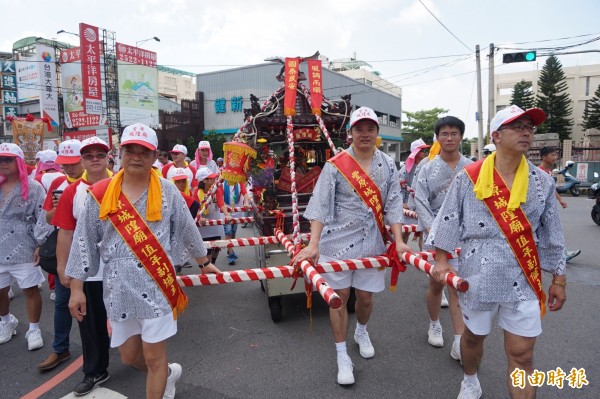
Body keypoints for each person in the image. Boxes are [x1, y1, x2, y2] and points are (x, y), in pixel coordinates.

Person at [66, 124, 221, 399]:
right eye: (130, 151)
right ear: (121, 153)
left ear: (153, 157)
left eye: (144, 152)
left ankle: (161, 377)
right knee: (129, 357)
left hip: (157, 283)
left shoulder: (167, 191)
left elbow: (186, 227)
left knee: (154, 359)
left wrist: (203, 260)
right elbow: (84, 240)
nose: (136, 157)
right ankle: (169, 374)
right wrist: (77, 288)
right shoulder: (100, 194)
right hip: (118, 289)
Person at [427, 105, 566, 398]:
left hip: (523, 276)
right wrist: (441, 259)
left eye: (529, 126)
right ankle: (470, 378)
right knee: (473, 339)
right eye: (517, 126)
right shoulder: (470, 177)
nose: (526, 131)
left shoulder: (542, 182)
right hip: (478, 273)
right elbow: (449, 218)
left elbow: (552, 232)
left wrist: (558, 278)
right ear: (497, 136)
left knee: (523, 354)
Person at [294, 107, 411, 386]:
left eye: (370, 128)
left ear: (377, 133)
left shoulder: (388, 165)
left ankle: (361, 330)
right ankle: (341, 354)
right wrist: (313, 244)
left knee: (366, 298)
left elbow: (394, 204)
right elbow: (320, 205)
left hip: (371, 242)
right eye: (360, 129)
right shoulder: (336, 164)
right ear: (351, 133)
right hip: (336, 242)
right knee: (340, 297)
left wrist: (399, 241)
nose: (365, 134)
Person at [40, 137, 114, 394]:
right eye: (89, 155)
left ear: (108, 158)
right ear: (82, 161)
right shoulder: (73, 191)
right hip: (88, 273)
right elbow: (65, 233)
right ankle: (95, 370)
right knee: (91, 324)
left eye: (100, 154)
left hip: (122, 270)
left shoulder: (123, 184)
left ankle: (144, 360)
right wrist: (63, 268)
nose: (95, 159)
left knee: (130, 321)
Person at [414, 116, 471, 361]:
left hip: (463, 236)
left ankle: (459, 340)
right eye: (444, 134)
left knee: (457, 287)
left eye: (454, 133)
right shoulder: (426, 168)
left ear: (461, 137)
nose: (449, 138)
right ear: (437, 138)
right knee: (437, 283)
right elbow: (420, 202)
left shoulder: (472, 167)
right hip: (435, 235)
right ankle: (434, 323)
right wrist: (434, 232)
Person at [0, 143, 46, 351]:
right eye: (0, 159)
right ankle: (6, 321)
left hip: (24, 245)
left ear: (18, 161)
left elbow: (42, 216)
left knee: (30, 289)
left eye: (8, 159)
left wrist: (40, 242)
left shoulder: (34, 187)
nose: (3, 163)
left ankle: (34, 328)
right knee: (0, 290)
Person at [41, 140, 84, 301]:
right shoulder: (58, 182)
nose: (69, 169)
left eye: (73, 164)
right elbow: (48, 219)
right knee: (62, 300)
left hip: (91, 245)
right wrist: (60, 209)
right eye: (65, 164)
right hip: (65, 243)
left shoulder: (101, 180)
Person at [538, 146, 581, 263]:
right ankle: (561, 254)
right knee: (552, 233)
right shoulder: (539, 172)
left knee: (552, 233)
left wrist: (560, 199)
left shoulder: (548, 172)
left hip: (549, 208)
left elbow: (551, 189)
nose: (555, 157)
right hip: (542, 210)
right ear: (543, 157)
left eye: (556, 155)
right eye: (552, 155)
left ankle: (560, 253)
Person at [194, 168, 232, 265]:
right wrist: (200, 217)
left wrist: (227, 214)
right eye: (210, 178)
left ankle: (212, 265)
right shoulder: (196, 192)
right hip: (204, 226)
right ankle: (209, 272)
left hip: (215, 223)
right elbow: (196, 207)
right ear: (204, 180)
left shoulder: (216, 190)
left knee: (216, 248)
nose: (213, 179)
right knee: (208, 250)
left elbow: (221, 204)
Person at [399, 138, 430, 245]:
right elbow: (398, 188)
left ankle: (424, 257)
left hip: (424, 206)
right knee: (405, 233)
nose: (426, 153)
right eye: (423, 151)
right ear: (416, 153)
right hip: (409, 208)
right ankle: (400, 256)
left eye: (426, 151)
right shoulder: (405, 170)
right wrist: (403, 204)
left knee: (425, 233)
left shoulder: (427, 166)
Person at [223, 180, 251, 265]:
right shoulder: (221, 182)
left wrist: (246, 203)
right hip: (225, 212)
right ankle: (231, 254)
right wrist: (224, 206)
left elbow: (245, 193)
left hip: (237, 211)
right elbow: (219, 196)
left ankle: (229, 248)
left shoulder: (239, 181)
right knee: (228, 231)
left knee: (233, 231)